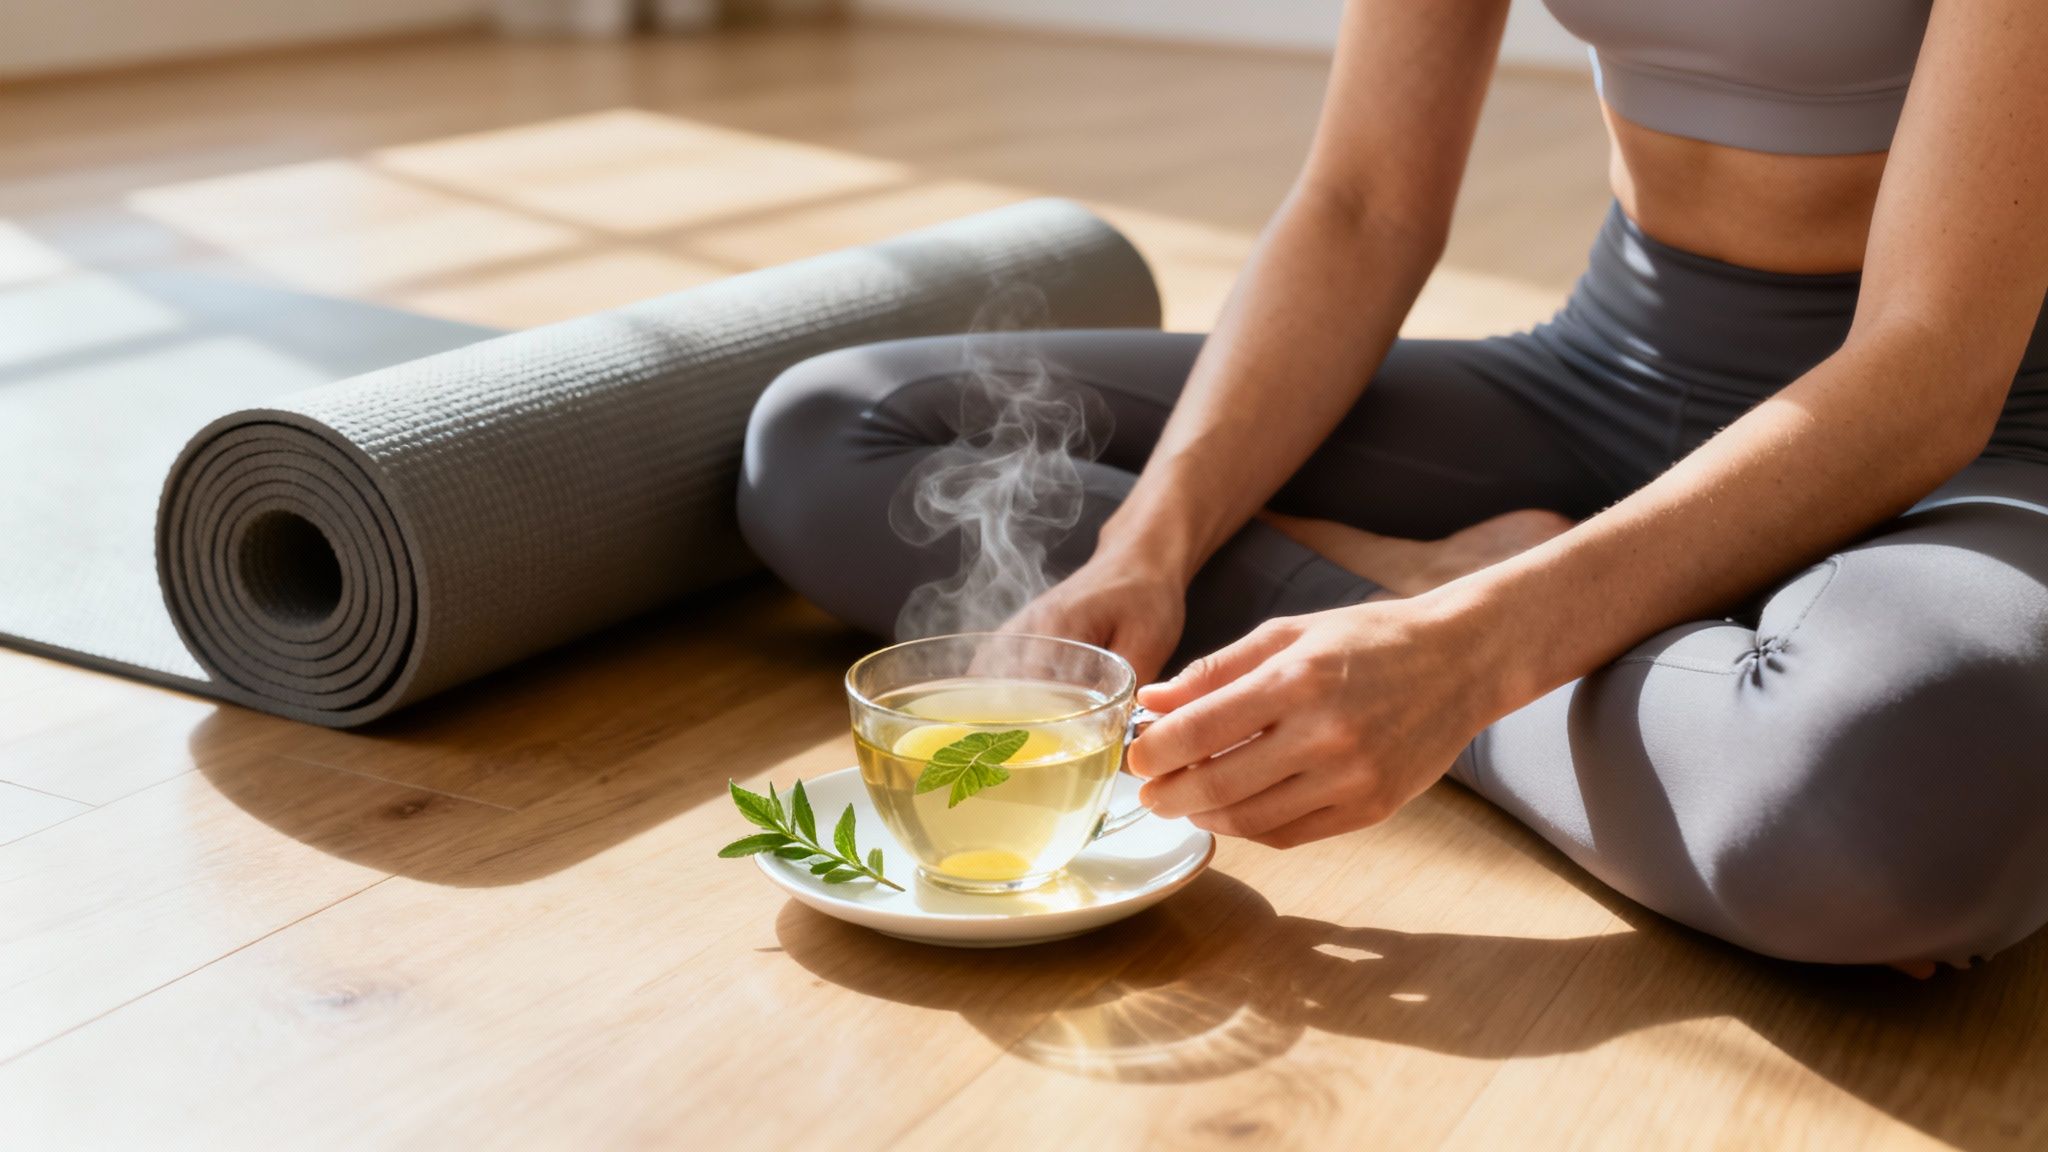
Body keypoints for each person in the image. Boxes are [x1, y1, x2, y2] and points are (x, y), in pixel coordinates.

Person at [738, 0, 2048, 974]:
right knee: (836, 434)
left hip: (1973, 433)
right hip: (1612, 370)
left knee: (1884, 794)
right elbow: (1364, 201)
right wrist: (1151, 542)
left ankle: (1454, 642)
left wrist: (1466, 659)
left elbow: (1931, 365)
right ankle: (1589, 668)